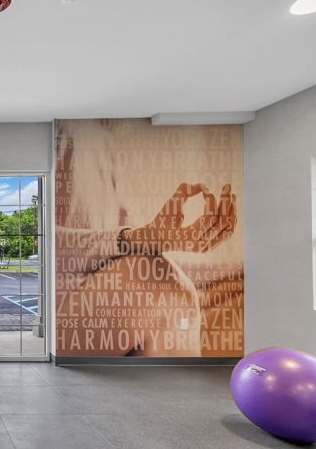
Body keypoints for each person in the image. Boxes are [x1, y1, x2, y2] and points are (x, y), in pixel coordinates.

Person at [56, 121, 239, 357]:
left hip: (96, 300)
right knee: (155, 277)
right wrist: (137, 239)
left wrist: (228, 271)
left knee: (165, 279)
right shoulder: (67, 132)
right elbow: (48, 247)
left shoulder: (103, 142)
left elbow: (137, 248)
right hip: (64, 308)